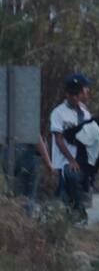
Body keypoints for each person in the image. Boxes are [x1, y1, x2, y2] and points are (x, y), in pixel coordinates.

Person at [49, 73, 92, 219]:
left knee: (79, 191)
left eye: (77, 94)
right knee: (67, 190)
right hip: (64, 162)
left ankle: (77, 214)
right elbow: (59, 140)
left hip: (81, 161)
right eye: (71, 94)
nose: (74, 97)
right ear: (66, 94)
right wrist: (71, 160)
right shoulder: (58, 113)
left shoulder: (85, 114)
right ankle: (76, 213)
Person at [1, 135, 52, 216]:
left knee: (14, 194)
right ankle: (25, 221)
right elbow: (36, 137)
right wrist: (48, 163)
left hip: (5, 155)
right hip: (26, 155)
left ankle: (14, 219)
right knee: (28, 198)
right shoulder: (27, 123)